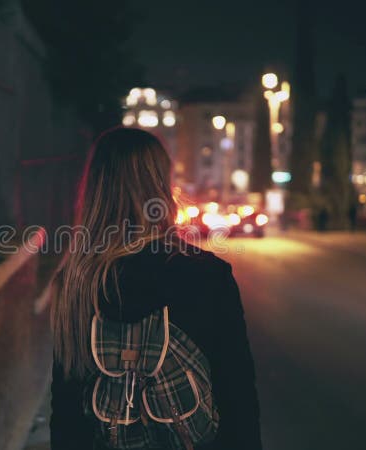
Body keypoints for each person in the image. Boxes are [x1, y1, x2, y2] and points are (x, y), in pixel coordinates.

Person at [50, 127, 262, 450]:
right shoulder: (207, 275)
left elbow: (67, 413)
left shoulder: (77, 282)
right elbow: (238, 397)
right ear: (161, 186)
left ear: (94, 191)